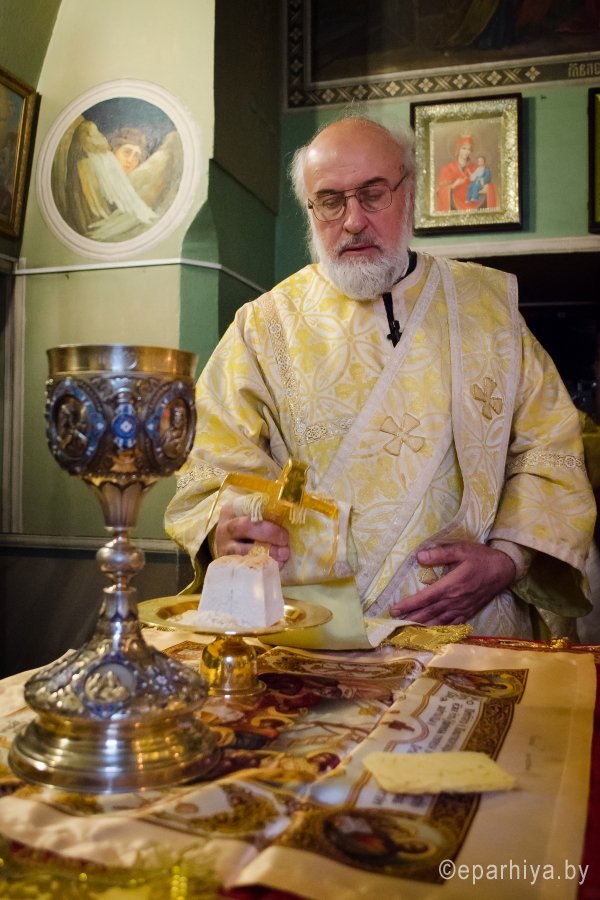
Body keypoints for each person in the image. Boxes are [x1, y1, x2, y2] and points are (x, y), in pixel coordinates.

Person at [165, 115, 596, 640]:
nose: (353, 221)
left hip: (474, 628)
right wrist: (226, 528)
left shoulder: (487, 309)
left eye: (372, 194)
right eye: (330, 201)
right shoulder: (262, 326)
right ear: (310, 210)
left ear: (409, 193)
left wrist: (508, 559)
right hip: (313, 635)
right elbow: (211, 466)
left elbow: (550, 449)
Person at [436, 135, 497, 211]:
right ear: (458, 149)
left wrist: (486, 187)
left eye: (469, 149)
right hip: (454, 205)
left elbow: (483, 182)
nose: (467, 152)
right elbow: (440, 190)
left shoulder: (475, 168)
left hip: (475, 203)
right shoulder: (447, 169)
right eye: (464, 148)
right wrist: (454, 185)